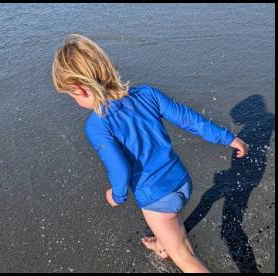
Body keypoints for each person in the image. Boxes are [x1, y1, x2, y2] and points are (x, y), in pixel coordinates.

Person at [52, 33, 249, 273]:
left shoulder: (97, 125)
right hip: (181, 181)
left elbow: (120, 169)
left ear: (80, 89)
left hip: (157, 199)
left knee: (185, 257)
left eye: (71, 96)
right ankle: (162, 243)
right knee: (170, 229)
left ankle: (170, 245)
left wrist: (117, 195)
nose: (74, 100)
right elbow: (189, 120)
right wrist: (228, 138)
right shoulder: (146, 93)